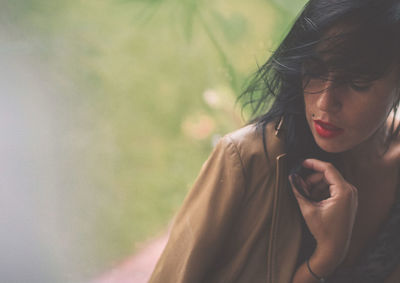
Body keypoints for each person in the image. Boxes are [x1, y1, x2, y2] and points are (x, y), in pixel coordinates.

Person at [149, 0, 400, 282]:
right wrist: (325, 259)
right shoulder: (246, 159)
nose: (324, 102)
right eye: (314, 70)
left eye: (357, 83)